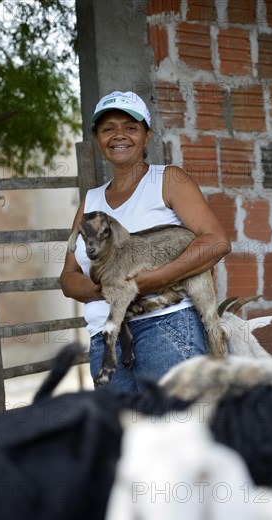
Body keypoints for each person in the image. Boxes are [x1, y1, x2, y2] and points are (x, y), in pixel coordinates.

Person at [60, 90, 231, 393]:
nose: (118, 135)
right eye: (108, 128)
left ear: (147, 135)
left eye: (130, 127)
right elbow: (68, 278)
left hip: (165, 327)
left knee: (177, 432)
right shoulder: (91, 201)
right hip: (106, 338)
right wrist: (105, 288)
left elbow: (216, 242)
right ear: (98, 139)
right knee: (124, 438)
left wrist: (154, 280)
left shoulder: (168, 180)